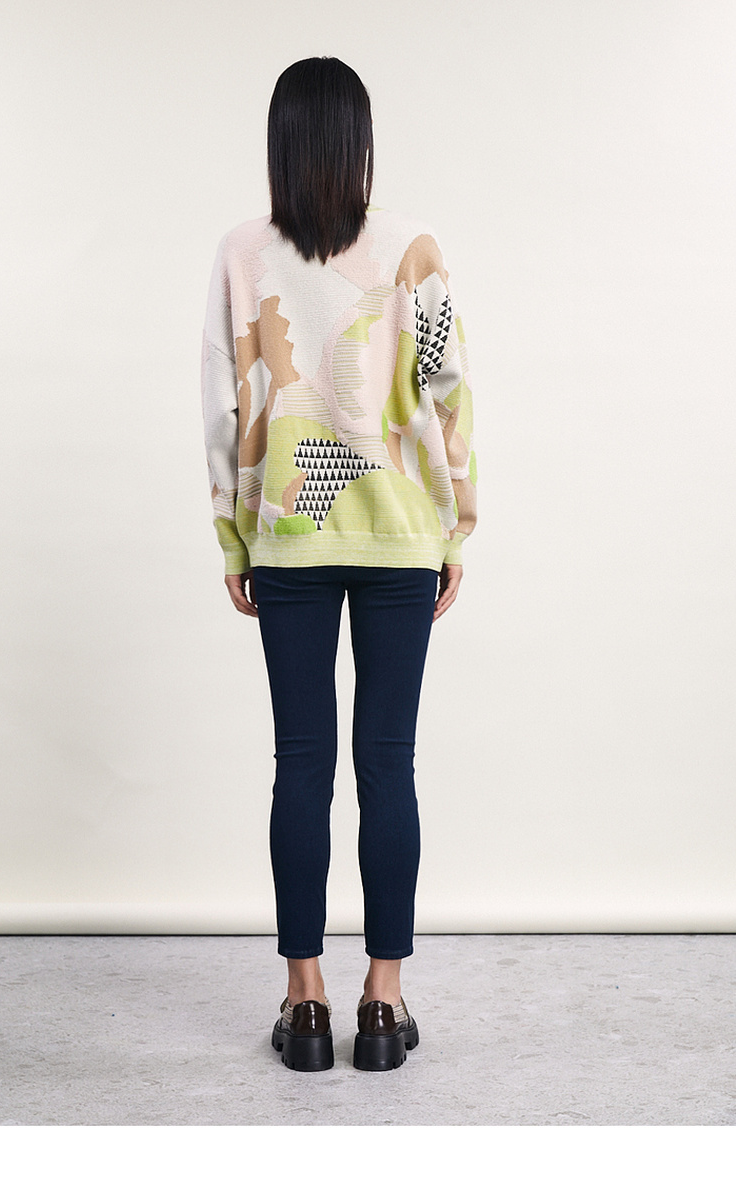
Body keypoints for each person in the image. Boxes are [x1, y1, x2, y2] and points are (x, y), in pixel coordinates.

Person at [200, 56, 477, 1072]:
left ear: (280, 141)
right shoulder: (412, 246)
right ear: (360, 141)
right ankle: (384, 1001)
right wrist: (455, 527)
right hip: (399, 535)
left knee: (301, 763)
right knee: (388, 761)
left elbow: (226, 402)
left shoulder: (243, 251)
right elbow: (447, 391)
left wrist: (234, 535)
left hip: (289, 533)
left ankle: (305, 999)